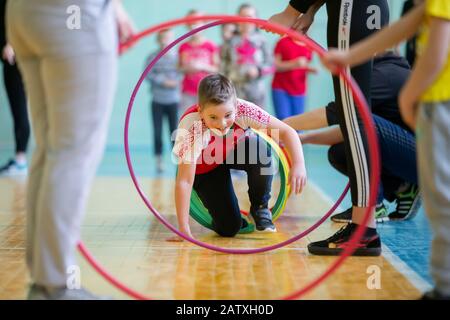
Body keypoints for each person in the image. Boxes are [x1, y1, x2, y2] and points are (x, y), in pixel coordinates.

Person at [321, 0, 450, 301]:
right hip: (433, 104)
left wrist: (409, 94)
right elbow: (411, 23)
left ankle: (444, 288)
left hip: (440, 102)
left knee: (443, 202)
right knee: (438, 200)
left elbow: (437, 46)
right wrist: (350, 55)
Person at [7, 0, 135, 299]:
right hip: (73, 16)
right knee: (72, 152)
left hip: (23, 14)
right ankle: (56, 284)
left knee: (51, 147)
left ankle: (45, 281)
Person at [268, 0, 390, 256]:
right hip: (358, 9)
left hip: (351, 9)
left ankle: (363, 230)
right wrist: (310, 10)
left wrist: (291, 11)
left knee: (353, 117)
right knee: (353, 116)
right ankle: (362, 226)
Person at [284, 51, 421, 223]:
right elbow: (351, 128)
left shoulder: (384, 75)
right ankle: (403, 187)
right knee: (339, 152)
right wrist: (305, 139)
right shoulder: (383, 71)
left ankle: (373, 205)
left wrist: (278, 125)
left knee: (358, 119)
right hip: (414, 155)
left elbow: (336, 113)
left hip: (428, 160)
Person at [172, 74, 307, 238]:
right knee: (229, 228)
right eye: (213, 117)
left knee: (260, 150)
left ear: (236, 106)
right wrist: (183, 228)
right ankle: (230, 217)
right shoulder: (191, 127)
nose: (222, 124)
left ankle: (260, 208)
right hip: (205, 167)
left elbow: (286, 131)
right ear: (200, 111)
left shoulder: (245, 110)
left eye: (228, 115)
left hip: (231, 151)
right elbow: (184, 181)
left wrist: (299, 164)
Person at [145, 29, 182, 173]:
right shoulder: (152, 57)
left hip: (173, 100)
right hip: (157, 100)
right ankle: (159, 159)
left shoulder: (177, 58)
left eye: (168, 38)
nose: (165, 41)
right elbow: (148, 74)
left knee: (174, 131)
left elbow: (182, 73)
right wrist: (163, 81)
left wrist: (175, 82)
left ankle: (177, 159)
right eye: (162, 38)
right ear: (158, 40)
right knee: (157, 131)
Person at [222, 3, 272, 109]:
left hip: (256, 91)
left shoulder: (262, 41)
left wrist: (258, 71)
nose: (246, 21)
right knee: (236, 121)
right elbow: (223, 63)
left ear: (256, 19)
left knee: (258, 123)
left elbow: (271, 65)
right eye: (242, 16)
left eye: (249, 16)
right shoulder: (230, 41)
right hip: (234, 91)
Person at [0, 0, 29, 177]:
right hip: (9, 56)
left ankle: (20, 160)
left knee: (20, 108)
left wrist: (12, 43)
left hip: (17, 57)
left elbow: (21, 15)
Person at [178, 9, 219, 114]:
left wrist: (202, 66)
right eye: (191, 24)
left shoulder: (210, 45)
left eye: (196, 23)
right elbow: (179, 68)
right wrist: (187, 68)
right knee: (190, 120)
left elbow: (217, 69)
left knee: (204, 121)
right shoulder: (183, 46)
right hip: (188, 92)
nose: (194, 27)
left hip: (207, 92)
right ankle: (193, 131)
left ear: (204, 25)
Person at [272, 36, 314, 120]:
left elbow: (304, 66)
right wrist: (294, 64)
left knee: (299, 123)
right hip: (281, 88)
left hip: (299, 90)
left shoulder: (309, 45)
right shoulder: (283, 42)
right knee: (283, 120)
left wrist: (309, 69)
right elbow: (276, 66)